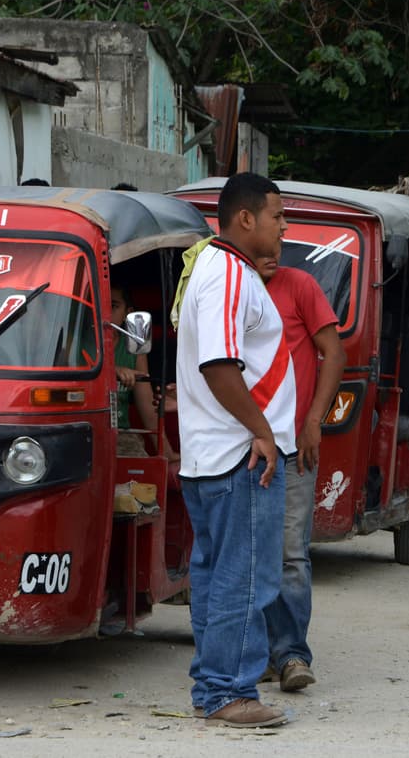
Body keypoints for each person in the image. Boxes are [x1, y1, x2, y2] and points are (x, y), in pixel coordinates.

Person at [175, 172, 294, 728]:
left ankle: (214, 687)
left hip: (218, 453)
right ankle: (228, 691)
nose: (283, 225)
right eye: (277, 215)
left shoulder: (222, 270)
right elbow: (219, 365)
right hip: (238, 455)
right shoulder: (226, 274)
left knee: (219, 574)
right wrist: (263, 433)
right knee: (245, 577)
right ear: (246, 218)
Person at [256, 257, 345, 693]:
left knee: (291, 554)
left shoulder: (300, 286)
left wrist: (314, 419)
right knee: (250, 556)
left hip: (293, 448)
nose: (279, 238)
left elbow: (335, 352)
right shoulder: (226, 287)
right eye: (274, 225)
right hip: (240, 449)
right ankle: (256, 655)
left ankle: (291, 655)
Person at [110, 285, 177, 462]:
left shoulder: (135, 347)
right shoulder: (74, 339)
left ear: (128, 313)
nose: (104, 313)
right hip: (84, 432)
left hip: (121, 435)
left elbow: (146, 405)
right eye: (97, 306)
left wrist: (167, 454)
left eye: (113, 306)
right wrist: (113, 371)